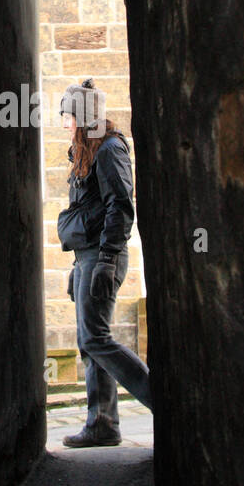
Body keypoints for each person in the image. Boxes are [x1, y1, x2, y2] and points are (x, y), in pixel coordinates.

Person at [56, 78, 152, 447]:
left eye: (68, 115)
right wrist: (77, 267)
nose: (65, 123)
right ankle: (102, 423)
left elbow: (120, 206)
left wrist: (107, 259)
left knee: (96, 337)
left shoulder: (110, 149)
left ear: (83, 116)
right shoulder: (86, 151)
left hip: (103, 255)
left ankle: (158, 399)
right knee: (88, 339)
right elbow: (86, 211)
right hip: (87, 256)